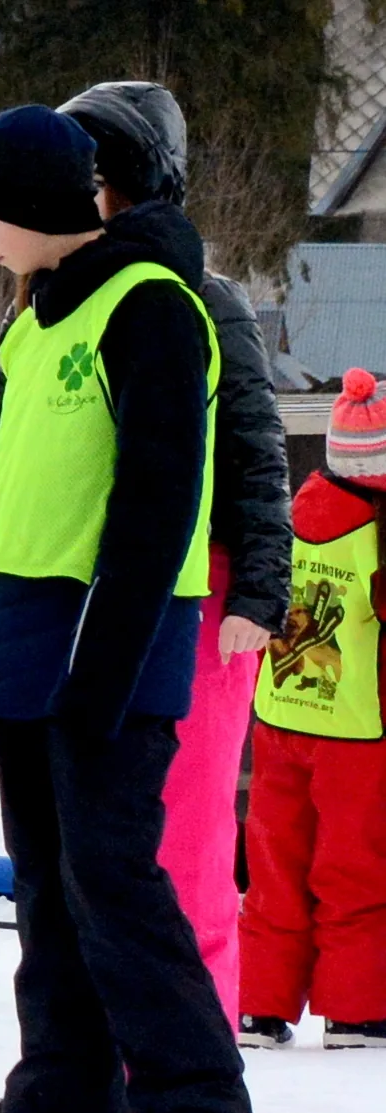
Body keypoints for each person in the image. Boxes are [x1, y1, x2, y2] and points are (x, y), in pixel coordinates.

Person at [0, 106, 251, 1113]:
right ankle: (64, 1099)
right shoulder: (33, 321)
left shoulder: (154, 306)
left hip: (108, 634)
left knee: (112, 873)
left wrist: (102, 663)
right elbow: (16, 496)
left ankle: (198, 1094)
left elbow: (161, 499)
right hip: (24, 628)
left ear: (35, 207)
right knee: (44, 879)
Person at [50, 81, 293, 1029]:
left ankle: (186, 1050)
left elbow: (254, 446)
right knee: (94, 834)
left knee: (184, 836)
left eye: (93, 176)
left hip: (204, 590)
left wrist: (259, 592)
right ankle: (90, 1049)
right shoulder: (53, 300)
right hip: (86, 590)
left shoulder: (201, 298)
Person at [238, 370, 386, 1049]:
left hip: (281, 715)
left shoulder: (297, 512)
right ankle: (356, 1010)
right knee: (354, 869)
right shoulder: (378, 534)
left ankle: (258, 1006)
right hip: (358, 733)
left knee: (273, 865)